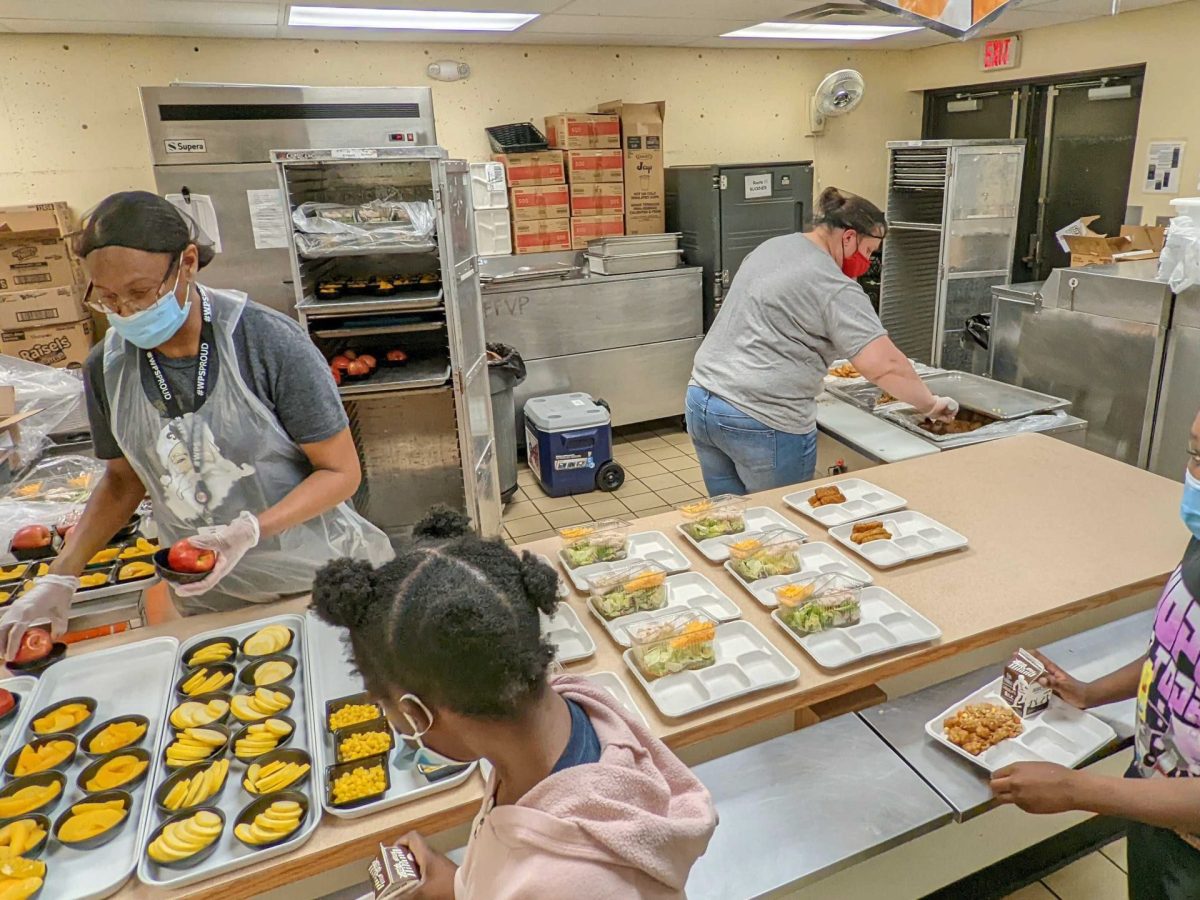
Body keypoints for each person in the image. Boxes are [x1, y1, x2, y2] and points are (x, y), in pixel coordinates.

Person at [0, 191, 392, 658]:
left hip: (314, 581)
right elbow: (124, 481)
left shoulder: (266, 343)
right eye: (107, 299)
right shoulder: (107, 367)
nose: (126, 312)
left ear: (187, 263)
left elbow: (340, 473)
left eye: (141, 292)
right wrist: (63, 572)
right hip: (206, 597)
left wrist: (248, 530)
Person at [311, 509, 717, 900]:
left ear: (418, 714)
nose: (393, 725)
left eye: (389, 710)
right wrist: (460, 884)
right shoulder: (564, 717)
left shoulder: (566, 883)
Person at [989, 406, 1200, 899]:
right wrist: (1090, 692)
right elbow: (1174, 655)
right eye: (1196, 453)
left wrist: (1076, 790)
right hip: (1154, 805)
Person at [686, 186, 958, 495]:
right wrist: (931, 404)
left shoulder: (774, 247)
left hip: (703, 400)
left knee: (731, 517)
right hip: (761, 417)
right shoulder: (833, 285)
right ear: (848, 237)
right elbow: (885, 366)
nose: (867, 261)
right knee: (781, 519)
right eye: (868, 251)